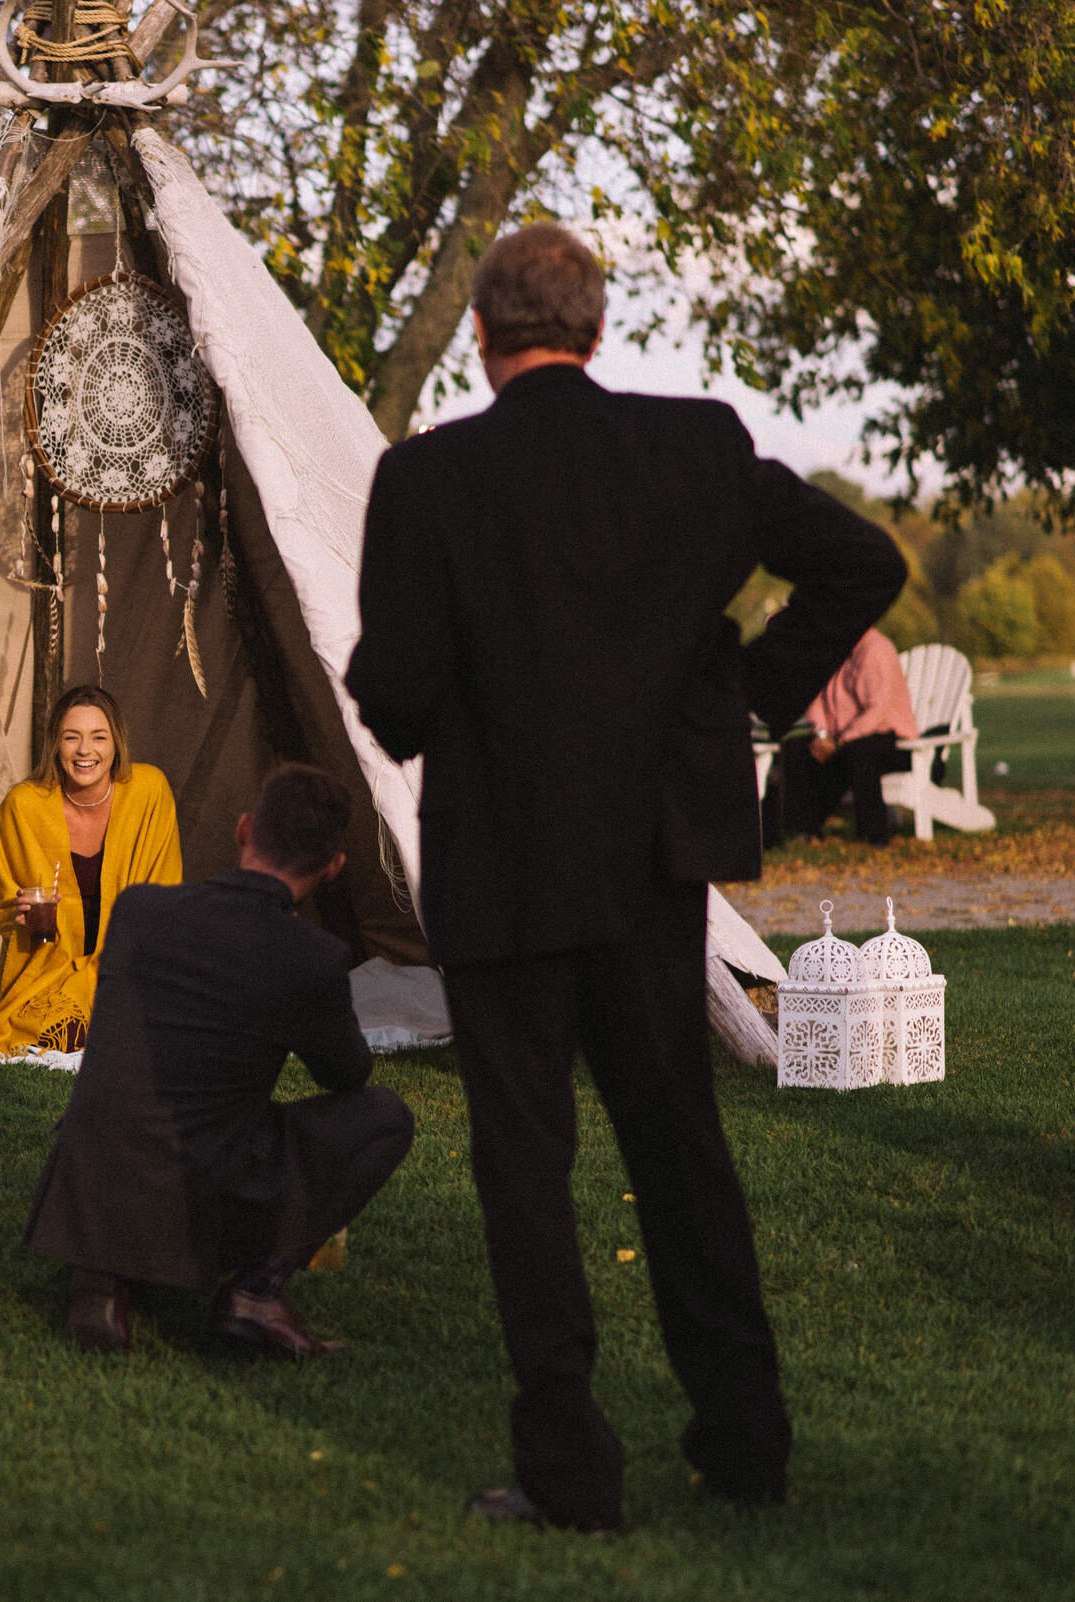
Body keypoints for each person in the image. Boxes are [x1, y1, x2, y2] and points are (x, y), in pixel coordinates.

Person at [344, 224, 904, 1532]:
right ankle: (746, 1444)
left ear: (482, 337)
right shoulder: (696, 446)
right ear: (595, 329)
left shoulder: (429, 479)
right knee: (682, 1153)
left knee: (525, 1171)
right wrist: (740, 688)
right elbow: (861, 563)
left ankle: (568, 1475)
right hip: (653, 866)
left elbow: (397, 699)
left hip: (499, 871)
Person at [22, 763, 412, 1358]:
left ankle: (102, 1274)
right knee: (383, 1117)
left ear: (243, 830)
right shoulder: (312, 957)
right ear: (334, 868)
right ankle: (256, 1293)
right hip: (195, 1194)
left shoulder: (137, 912)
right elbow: (348, 1077)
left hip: (90, 1181)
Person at [0, 685, 181, 1055]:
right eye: (71, 738)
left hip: (128, 962)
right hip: (48, 967)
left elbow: (165, 895)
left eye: (99, 737)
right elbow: (2, 909)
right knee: (59, 1033)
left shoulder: (149, 791)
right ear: (55, 745)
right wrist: (19, 915)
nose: (85, 751)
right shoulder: (25, 806)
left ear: (116, 743)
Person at [767, 627, 918, 846]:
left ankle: (873, 835)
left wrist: (839, 742)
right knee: (795, 747)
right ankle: (802, 830)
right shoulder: (831, 651)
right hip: (842, 739)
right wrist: (821, 736)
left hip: (891, 739)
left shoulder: (875, 650)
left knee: (859, 752)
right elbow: (815, 698)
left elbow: (878, 710)